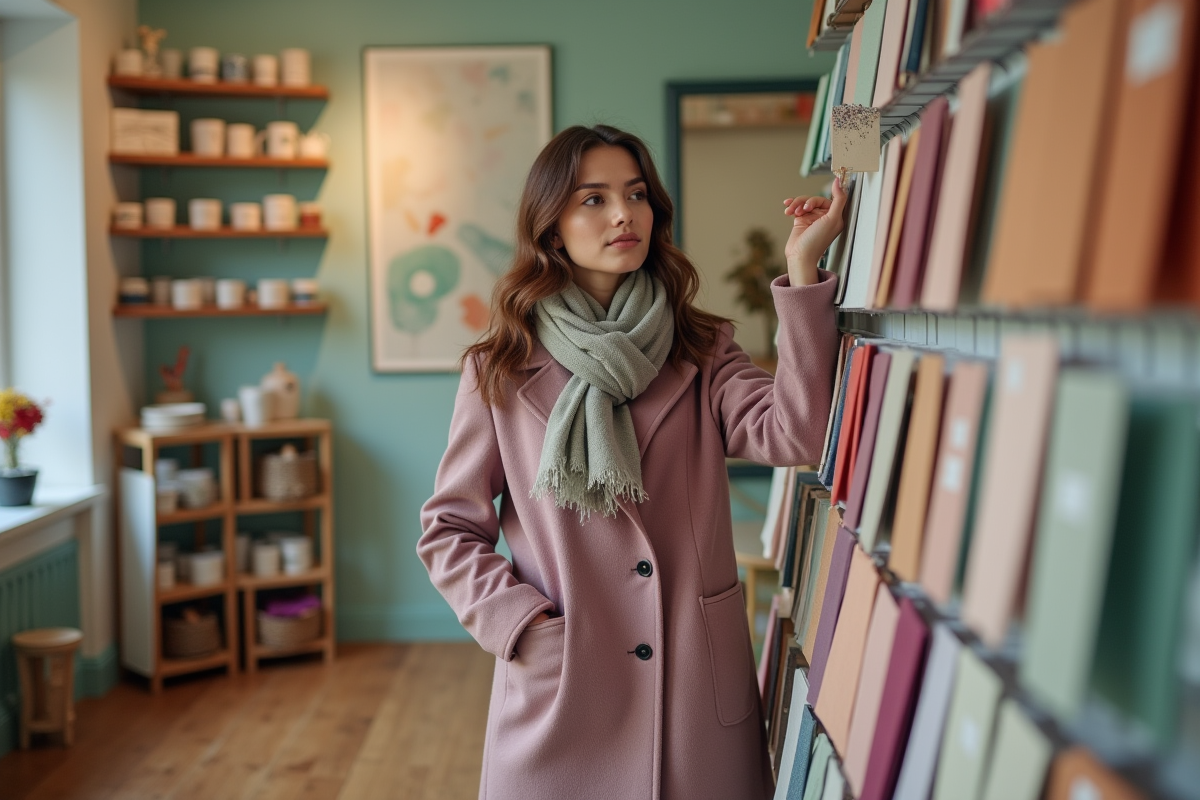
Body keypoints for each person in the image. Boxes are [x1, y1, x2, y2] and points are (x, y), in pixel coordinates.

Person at [418, 123, 846, 800]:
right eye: (593, 199)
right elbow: (448, 529)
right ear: (552, 228)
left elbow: (797, 434)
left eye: (636, 193)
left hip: (690, 690)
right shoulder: (499, 368)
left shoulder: (701, 348)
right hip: (565, 688)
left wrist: (801, 273)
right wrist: (521, 625)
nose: (624, 214)